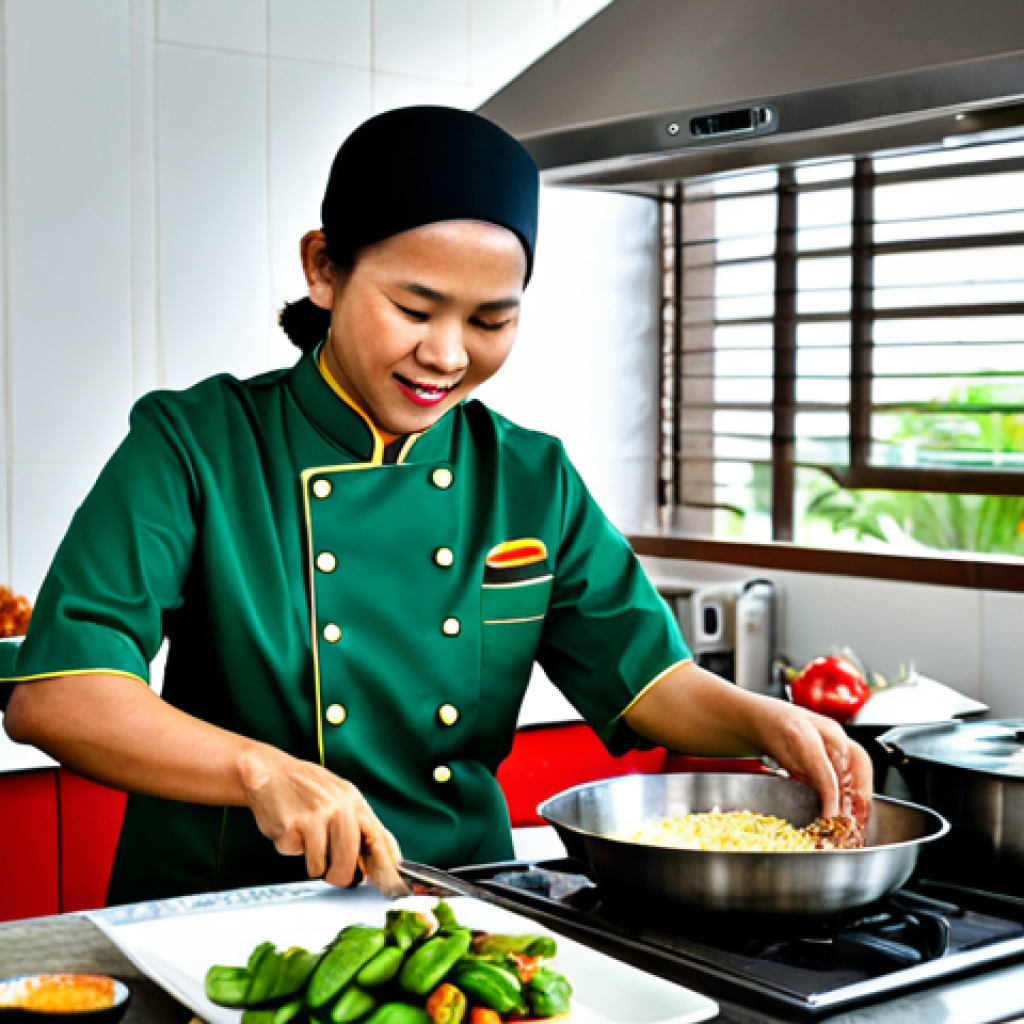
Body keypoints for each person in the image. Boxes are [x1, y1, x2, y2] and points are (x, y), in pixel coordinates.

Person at [1, 106, 871, 906]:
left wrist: (768, 719)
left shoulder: (530, 476)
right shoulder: (197, 442)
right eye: (414, 307)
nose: (447, 355)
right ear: (324, 269)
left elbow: (650, 682)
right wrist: (259, 770)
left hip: (457, 909)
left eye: (491, 320)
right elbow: (61, 692)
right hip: (218, 913)